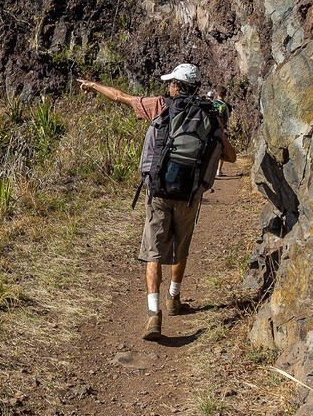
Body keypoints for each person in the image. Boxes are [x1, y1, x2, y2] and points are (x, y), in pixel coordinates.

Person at [76, 62, 236, 341]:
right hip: (189, 196)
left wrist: (92, 85)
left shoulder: (160, 105)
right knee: (181, 246)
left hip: (159, 193)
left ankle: (154, 316)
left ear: (176, 85)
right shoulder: (210, 114)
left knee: (154, 251)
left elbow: (120, 97)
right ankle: (174, 299)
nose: (169, 86)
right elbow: (230, 156)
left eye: (171, 82)